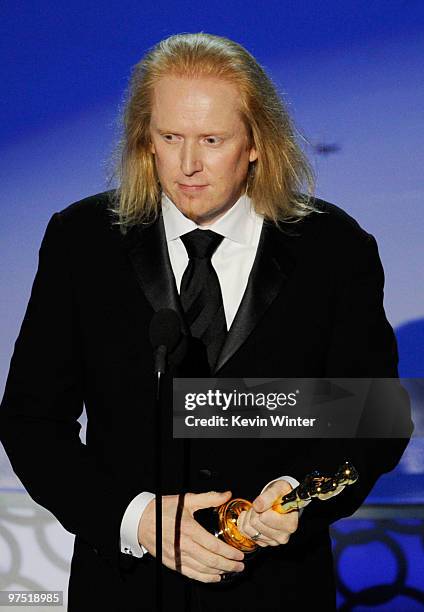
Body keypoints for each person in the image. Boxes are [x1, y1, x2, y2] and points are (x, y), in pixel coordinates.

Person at [0, 33, 412, 611]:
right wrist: (136, 519)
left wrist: (297, 496)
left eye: (212, 140)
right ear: (146, 139)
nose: (188, 166)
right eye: (170, 138)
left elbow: (375, 415)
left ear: (256, 143)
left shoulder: (333, 248)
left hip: (278, 592)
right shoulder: (81, 241)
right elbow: (31, 421)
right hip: (124, 591)